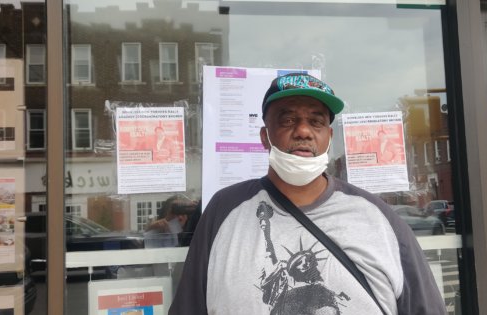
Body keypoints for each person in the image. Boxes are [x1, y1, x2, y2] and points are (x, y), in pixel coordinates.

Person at [169, 73, 446, 314]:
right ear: (265, 136)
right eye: (288, 119)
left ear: (329, 137)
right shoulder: (224, 211)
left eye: (316, 122)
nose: (303, 131)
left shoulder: (376, 217)